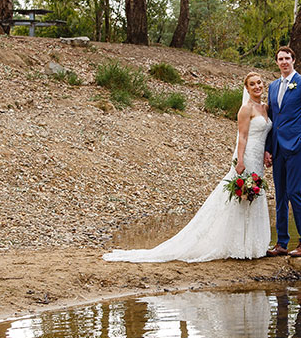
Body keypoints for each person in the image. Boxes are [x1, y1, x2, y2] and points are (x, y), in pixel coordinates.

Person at [102, 72, 271, 263]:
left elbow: (266, 134)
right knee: (239, 197)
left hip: (259, 159)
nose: (257, 86)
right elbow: (242, 137)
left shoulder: (264, 108)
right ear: (246, 88)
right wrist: (240, 160)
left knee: (254, 195)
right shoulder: (246, 109)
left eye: (259, 83)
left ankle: (254, 245)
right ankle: (237, 244)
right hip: (247, 157)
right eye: (252, 84)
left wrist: (267, 152)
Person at [264, 46, 301, 258]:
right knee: (280, 196)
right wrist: (268, 149)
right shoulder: (272, 86)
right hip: (277, 148)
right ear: (277, 62)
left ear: (293, 60)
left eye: (287, 58)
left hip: (296, 148)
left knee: (295, 193)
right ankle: (282, 243)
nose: (284, 62)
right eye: (280, 59)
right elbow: (272, 121)